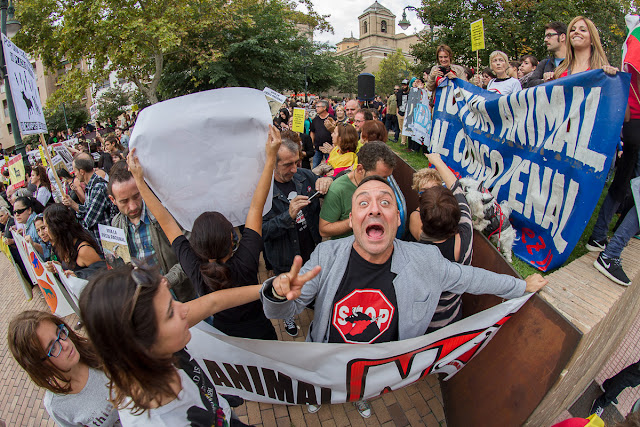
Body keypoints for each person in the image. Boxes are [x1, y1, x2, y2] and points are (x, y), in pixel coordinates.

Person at [262, 176, 548, 418]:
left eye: (385, 202)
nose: (374, 209)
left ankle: (360, 396)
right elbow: (280, 312)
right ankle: (316, 396)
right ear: (351, 219)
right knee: (320, 385)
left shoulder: (426, 260)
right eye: (363, 203)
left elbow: (474, 278)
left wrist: (520, 287)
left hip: (373, 367)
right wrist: (277, 293)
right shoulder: (326, 256)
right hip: (325, 359)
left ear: (397, 218)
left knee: (362, 387)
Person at [79, 261, 284, 426]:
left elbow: (213, 302)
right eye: (170, 313)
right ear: (140, 346)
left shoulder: (153, 352)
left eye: (172, 301)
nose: (184, 310)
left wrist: (269, 287)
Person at [127, 126, 281, 340]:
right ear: (231, 238)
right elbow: (256, 207)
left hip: (224, 337)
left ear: (195, 247)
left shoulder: (196, 269)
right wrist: (270, 157)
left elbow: (166, 221)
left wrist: (139, 181)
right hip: (259, 331)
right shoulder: (246, 260)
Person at [262, 139, 332, 336]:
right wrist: (287, 216)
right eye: (287, 164)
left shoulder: (304, 176)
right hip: (284, 257)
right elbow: (261, 234)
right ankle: (288, 318)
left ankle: (313, 307)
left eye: (296, 162)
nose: (294, 169)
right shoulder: (263, 191)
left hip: (310, 250)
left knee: (312, 284)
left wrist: (328, 181)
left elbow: (334, 180)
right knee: (286, 291)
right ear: (272, 164)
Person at [7, 310, 121, 427]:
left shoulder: (98, 350)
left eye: (60, 332)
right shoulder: (57, 407)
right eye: (53, 348)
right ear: (40, 365)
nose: (66, 344)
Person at [107, 162, 197, 302]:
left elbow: (192, 251)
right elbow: (119, 265)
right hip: (147, 299)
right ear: (113, 200)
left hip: (181, 294)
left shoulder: (164, 214)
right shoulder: (116, 224)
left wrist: (169, 280)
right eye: (124, 201)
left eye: (136, 196)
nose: (132, 206)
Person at [409, 153, 473, 332]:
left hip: (422, 325)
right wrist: (437, 161)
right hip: (452, 318)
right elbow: (457, 189)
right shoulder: (466, 233)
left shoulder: (418, 250)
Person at [319, 141, 396, 239]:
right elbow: (324, 230)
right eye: (380, 177)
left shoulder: (384, 186)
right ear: (360, 169)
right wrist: (358, 219)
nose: (384, 183)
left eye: (387, 177)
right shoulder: (338, 189)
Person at [63, 153, 117, 247]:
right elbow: (88, 208)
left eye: (75, 171)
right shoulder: (91, 186)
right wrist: (73, 204)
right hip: (102, 242)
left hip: (108, 244)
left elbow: (89, 221)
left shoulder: (98, 187)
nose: (74, 174)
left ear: (82, 171)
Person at [43, 203, 105, 278]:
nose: (45, 231)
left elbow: (103, 274)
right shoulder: (62, 245)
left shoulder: (84, 250)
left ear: (56, 229)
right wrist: (59, 269)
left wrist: (78, 275)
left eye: (46, 227)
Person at [553, 16, 618, 79]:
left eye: (583, 30)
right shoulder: (559, 72)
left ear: (592, 39)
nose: (576, 32)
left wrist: (614, 76)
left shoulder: (602, 72)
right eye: (572, 30)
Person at [524, 22, 568, 87]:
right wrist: (544, 81)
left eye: (549, 35)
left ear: (562, 37)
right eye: (545, 36)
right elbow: (530, 83)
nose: (545, 40)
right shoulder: (545, 63)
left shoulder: (576, 61)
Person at [310, 100, 333, 168]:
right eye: (316, 107)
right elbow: (312, 132)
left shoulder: (331, 119)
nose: (316, 108)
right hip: (318, 148)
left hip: (329, 148)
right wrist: (313, 144)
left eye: (318, 107)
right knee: (315, 167)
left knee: (330, 166)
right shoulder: (315, 120)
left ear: (324, 107)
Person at [396, 80, 410, 145]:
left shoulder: (410, 93)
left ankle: (403, 142)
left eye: (405, 85)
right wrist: (397, 112)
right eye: (402, 85)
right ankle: (403, 140)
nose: (403, 86)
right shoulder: (399, 93)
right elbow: (397, 102)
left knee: (405, 128)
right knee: (401, 128)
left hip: (406, 112)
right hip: (400, 112)